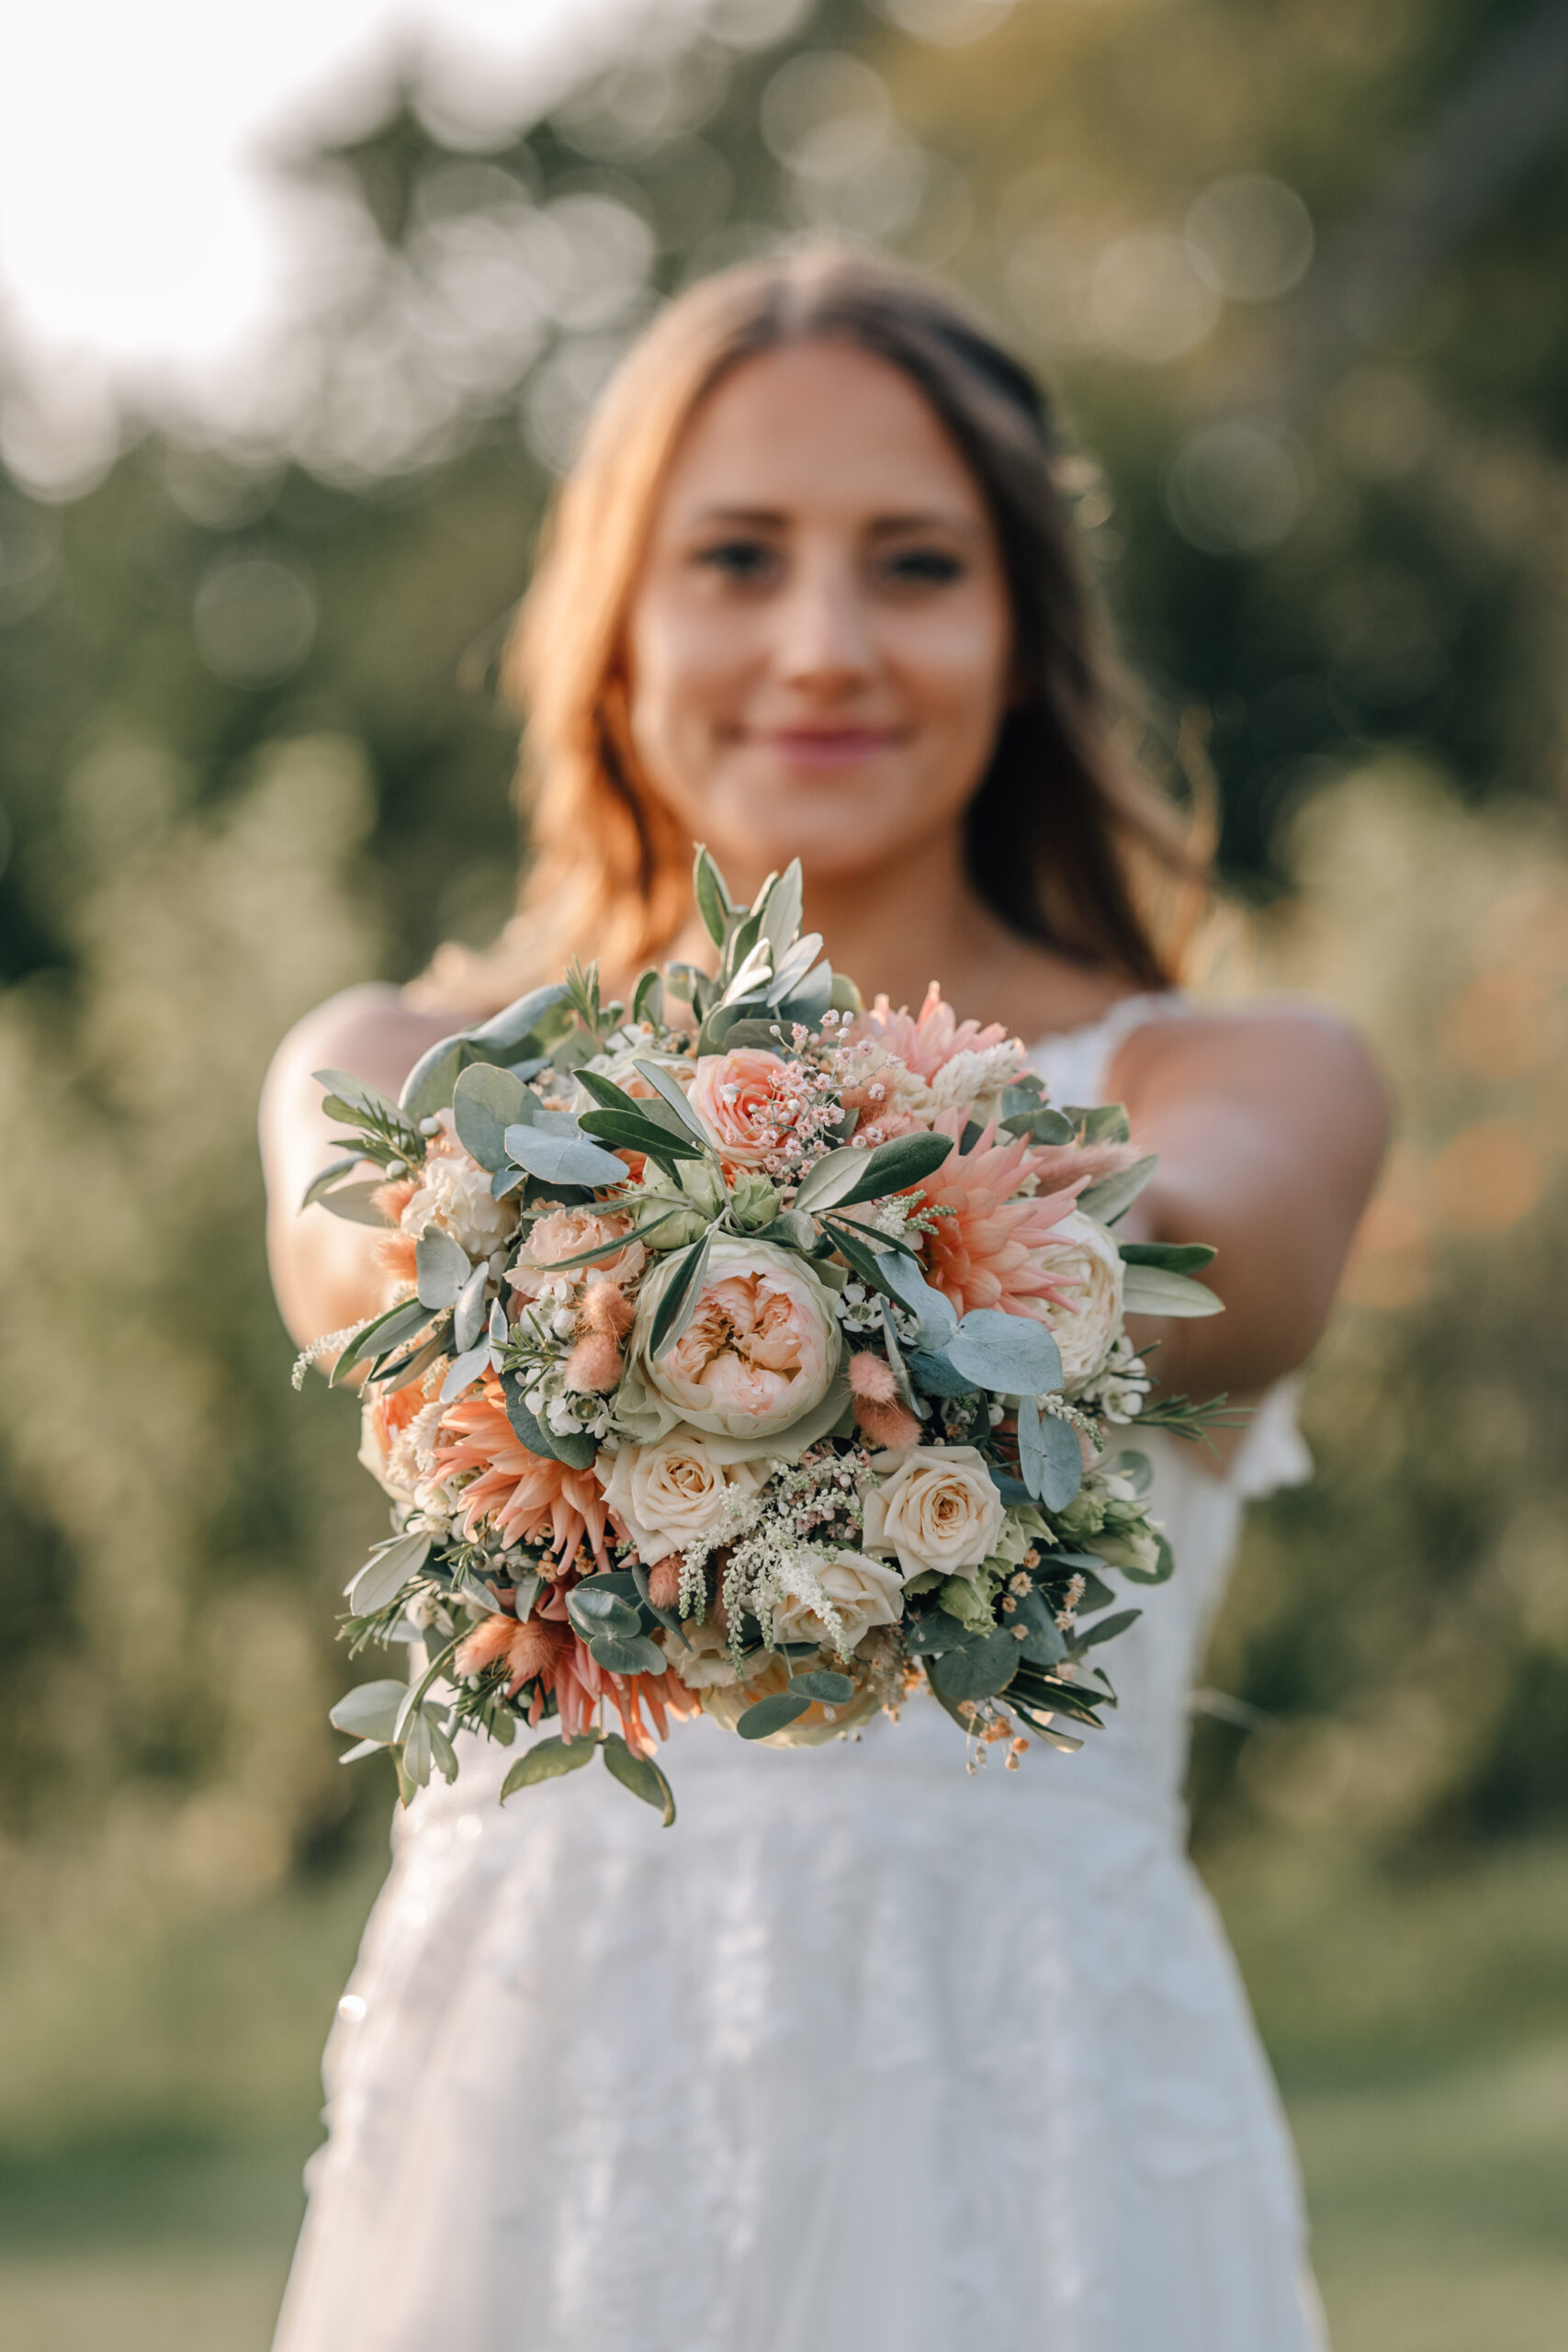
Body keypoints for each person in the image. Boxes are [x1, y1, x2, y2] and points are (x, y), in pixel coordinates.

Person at [261, 248, 1386, 2352]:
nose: (821, 644)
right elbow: (363, 1255)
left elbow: (1210, 1260)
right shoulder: (398, 1055)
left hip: (1027, 2110)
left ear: (1024, 632)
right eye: (737, 557)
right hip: (538, 2103)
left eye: (912, 562)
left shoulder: (1229, 1080)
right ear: (614, 616)